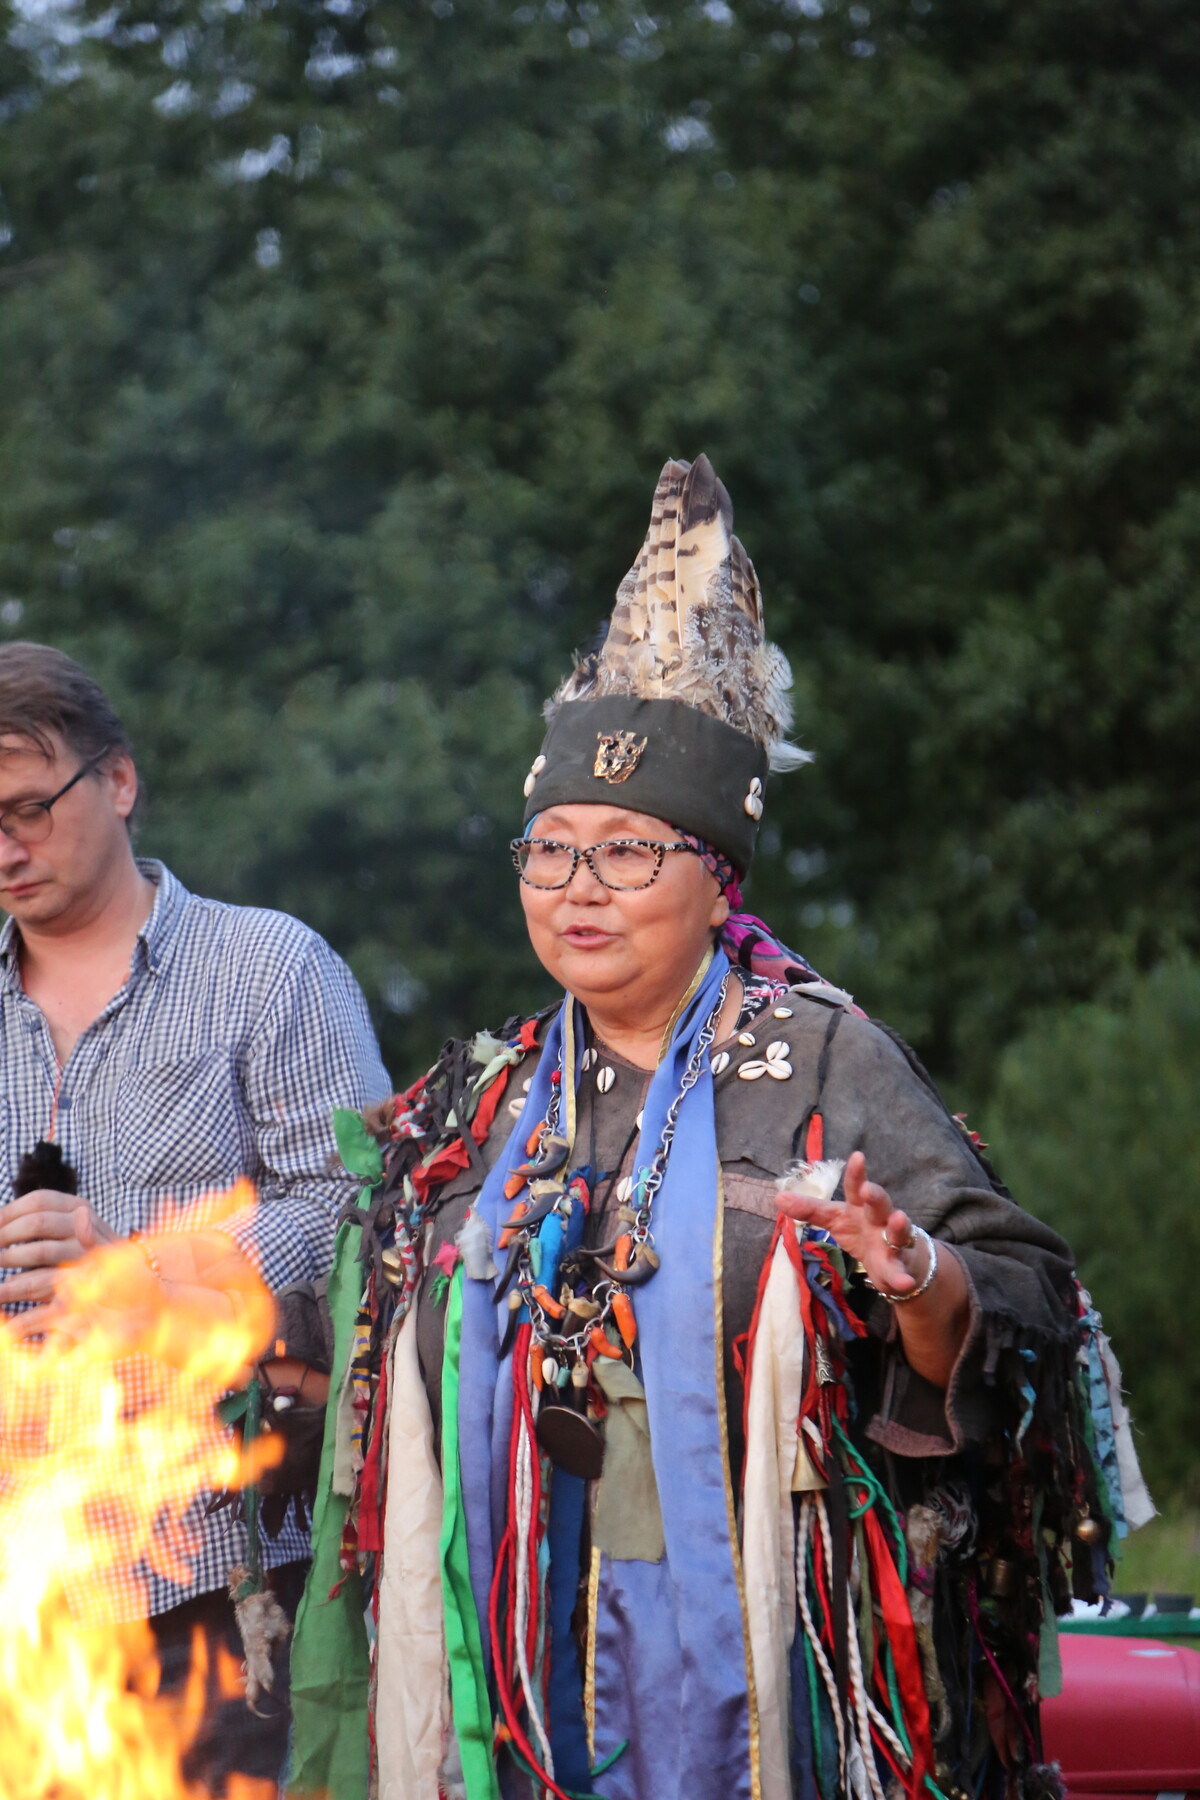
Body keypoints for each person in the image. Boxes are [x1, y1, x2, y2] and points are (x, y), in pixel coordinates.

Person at [288, 458, 1149, 1800]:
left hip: (769, 1668)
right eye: (550, 849)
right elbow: (372, 1341)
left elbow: (1026, 1300)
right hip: (518, 1673)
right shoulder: (487, 1100)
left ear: (717, 878)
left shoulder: (825, 1058)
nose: (579, 888)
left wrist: (920, 1280)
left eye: (628, 851)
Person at [0, 641, 389, 1794]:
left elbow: (362, 1214)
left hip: (220, 1577)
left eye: (28, 809)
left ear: (118, 781)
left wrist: (148, 1273)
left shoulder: (268, 969)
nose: (5, 848)